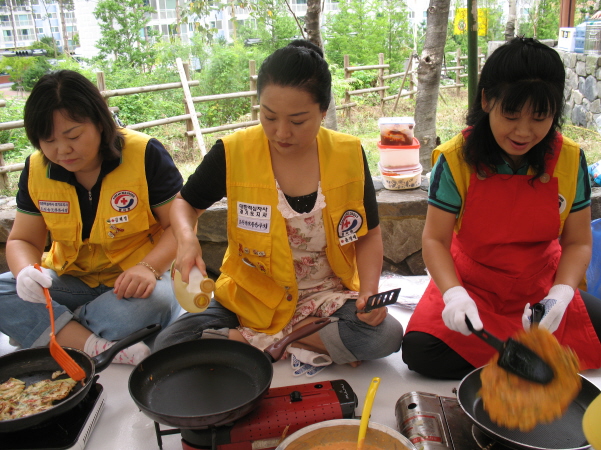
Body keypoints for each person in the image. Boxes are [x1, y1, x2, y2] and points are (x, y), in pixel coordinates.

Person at [153, 40, 403, 373]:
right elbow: (185, 203)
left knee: (384, 337)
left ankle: (255, 341)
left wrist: (368, 295)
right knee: (168, 344)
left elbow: (368, 234)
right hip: (251, 297)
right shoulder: (234, 151)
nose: (281, 132)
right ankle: (294, 338)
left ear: (323, 110)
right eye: (269, 117)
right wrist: (186, 240)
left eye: (298, 121)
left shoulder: (348, 154)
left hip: (324, 295)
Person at [402, 37, 601, 379]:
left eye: (540, 117)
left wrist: (562, 292)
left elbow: (579, 242)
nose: (524, 132)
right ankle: (526, 360)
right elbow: (435, 240)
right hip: (474, 288)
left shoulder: (570, 159)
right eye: (510, 114)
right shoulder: (455, 159)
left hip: (540, 292)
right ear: (486, 100)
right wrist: (453, 295)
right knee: (420, 351)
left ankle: (515, 358)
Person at [0, 70, 183, 365]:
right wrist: (25, 273)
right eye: (48, 140)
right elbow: (22, 239)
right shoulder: (36, 169)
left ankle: (48, 329)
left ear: (100, 123)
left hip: (135, 283)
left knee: (154, 304)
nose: (62, 150)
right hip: (69, 279)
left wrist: (149, 267)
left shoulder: (144, 153)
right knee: (2, 291)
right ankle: (94, 343)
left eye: (73, 135)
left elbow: (180, 226)